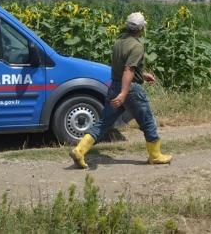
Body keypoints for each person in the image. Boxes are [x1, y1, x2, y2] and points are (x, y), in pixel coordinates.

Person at [69, 12, 172, 169]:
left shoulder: (119, 42)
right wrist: (124, 93)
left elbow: (123, 68)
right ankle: (155, 155)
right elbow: (128, 70)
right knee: (148, 121)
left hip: (115, 86)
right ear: (141, 28)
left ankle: (79, 150)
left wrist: (142, 75)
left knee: (104, 122)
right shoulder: (137, 46)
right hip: (130, 89)